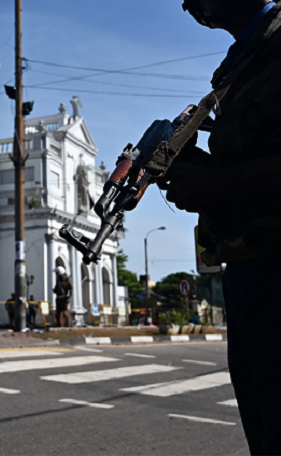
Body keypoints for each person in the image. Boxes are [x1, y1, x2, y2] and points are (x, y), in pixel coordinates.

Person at [161, 1, 281, 453]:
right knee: (263, 426)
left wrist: (220, 183)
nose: (189, 3)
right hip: (247, 270)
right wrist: (187, 168)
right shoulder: (237, 65)